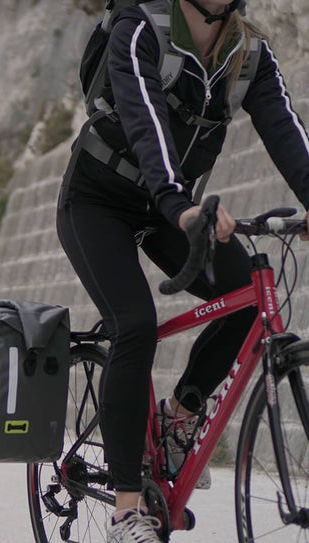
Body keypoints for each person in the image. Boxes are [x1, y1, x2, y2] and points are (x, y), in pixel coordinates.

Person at [56, 1, 309, 542]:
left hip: (169, 206)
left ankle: (179, 416)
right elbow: (145, 120)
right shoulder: (140, 25)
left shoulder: (248, 54)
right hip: (98, 197)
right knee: (135, 324)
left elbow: (287, 132)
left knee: (248, 297)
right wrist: (178, 203)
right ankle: (127, 510)